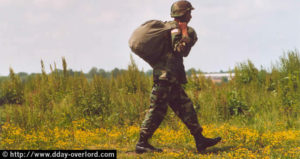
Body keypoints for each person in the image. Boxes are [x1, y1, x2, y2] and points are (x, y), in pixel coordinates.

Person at [135, 0, 221, 154]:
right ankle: (142, 143)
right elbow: (179, 50)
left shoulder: (175, 28)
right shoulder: (175, 29)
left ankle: (200, 140)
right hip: (164, 79)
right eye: (189, 12)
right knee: (157, 110)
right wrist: (185, 33)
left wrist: (186, 34)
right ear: (183, 13)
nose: (191, 15)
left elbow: (184, 52)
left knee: (186, 108)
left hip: (171, 79)